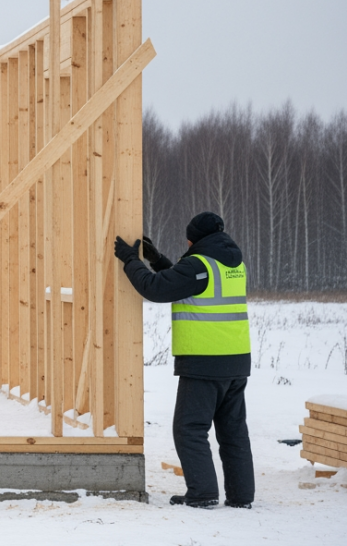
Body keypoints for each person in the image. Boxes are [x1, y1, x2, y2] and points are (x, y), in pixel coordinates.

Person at [115, 211, 254, 509]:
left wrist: (130, 260)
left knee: (189, 429)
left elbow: (155, 288)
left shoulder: (198, 264)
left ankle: (203, 494)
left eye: (189, 238)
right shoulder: (233, 264)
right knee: (233, 431)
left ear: (196, 238)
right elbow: (188, 284)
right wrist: (158, 260)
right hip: (236, 360)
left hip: (205, 361)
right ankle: (241, 497)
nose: (187, 242)